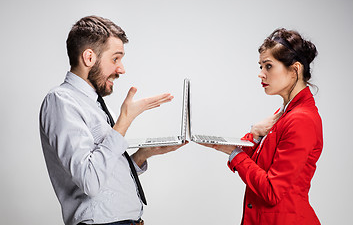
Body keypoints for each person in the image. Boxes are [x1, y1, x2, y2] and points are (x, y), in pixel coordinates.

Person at [39, 15, 184, 225]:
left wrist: (142, 156)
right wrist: (124, 121)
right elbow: (90, 182)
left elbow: (104, 178)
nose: (121, 69)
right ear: (89, 58)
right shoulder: (61, 101)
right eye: (115, 59)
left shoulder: (93, 103)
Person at [199, 28, 322, 224]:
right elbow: (257, 168)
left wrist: (235, 153)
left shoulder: (301, 119)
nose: (261, 74)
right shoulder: (284, 113)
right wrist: (254, 135)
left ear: (295, 69)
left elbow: (272, 190)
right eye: (260, 66)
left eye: (268, 66)